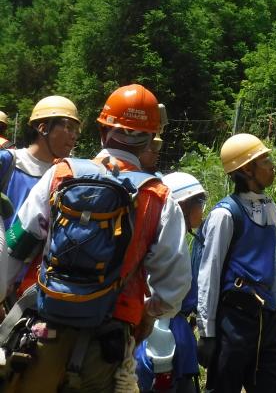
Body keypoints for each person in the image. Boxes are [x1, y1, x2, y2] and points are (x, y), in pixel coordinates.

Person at [2, 83, 191, 393]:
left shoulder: (60, 174)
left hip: (43, 328)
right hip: (108, 344)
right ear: (150, 139)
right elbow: (175, 284)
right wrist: (148, 315)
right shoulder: (158, 197)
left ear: (103, 129)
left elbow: (15, 245)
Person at [195, 133, 276, 393]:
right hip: (234, 320)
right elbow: (209, 273)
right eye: (265, 160)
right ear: (247, 169)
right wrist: (207, 332)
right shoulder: (225, 215)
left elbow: (274, 261)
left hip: (266, 319)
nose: (272, 165)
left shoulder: (267, 207)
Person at [136, 171, 207, 393]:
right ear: (182, 206)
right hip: (163, 339)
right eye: (199, 202)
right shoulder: (166, 249)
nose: (202, 209)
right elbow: (159, 305)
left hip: (172, 335)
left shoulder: (172, 243)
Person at [0, 95, 80, 231]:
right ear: (43, 128)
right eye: (68, 127)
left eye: (76, 131)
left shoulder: (62, 175)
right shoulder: (7, 161)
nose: (74, 136)